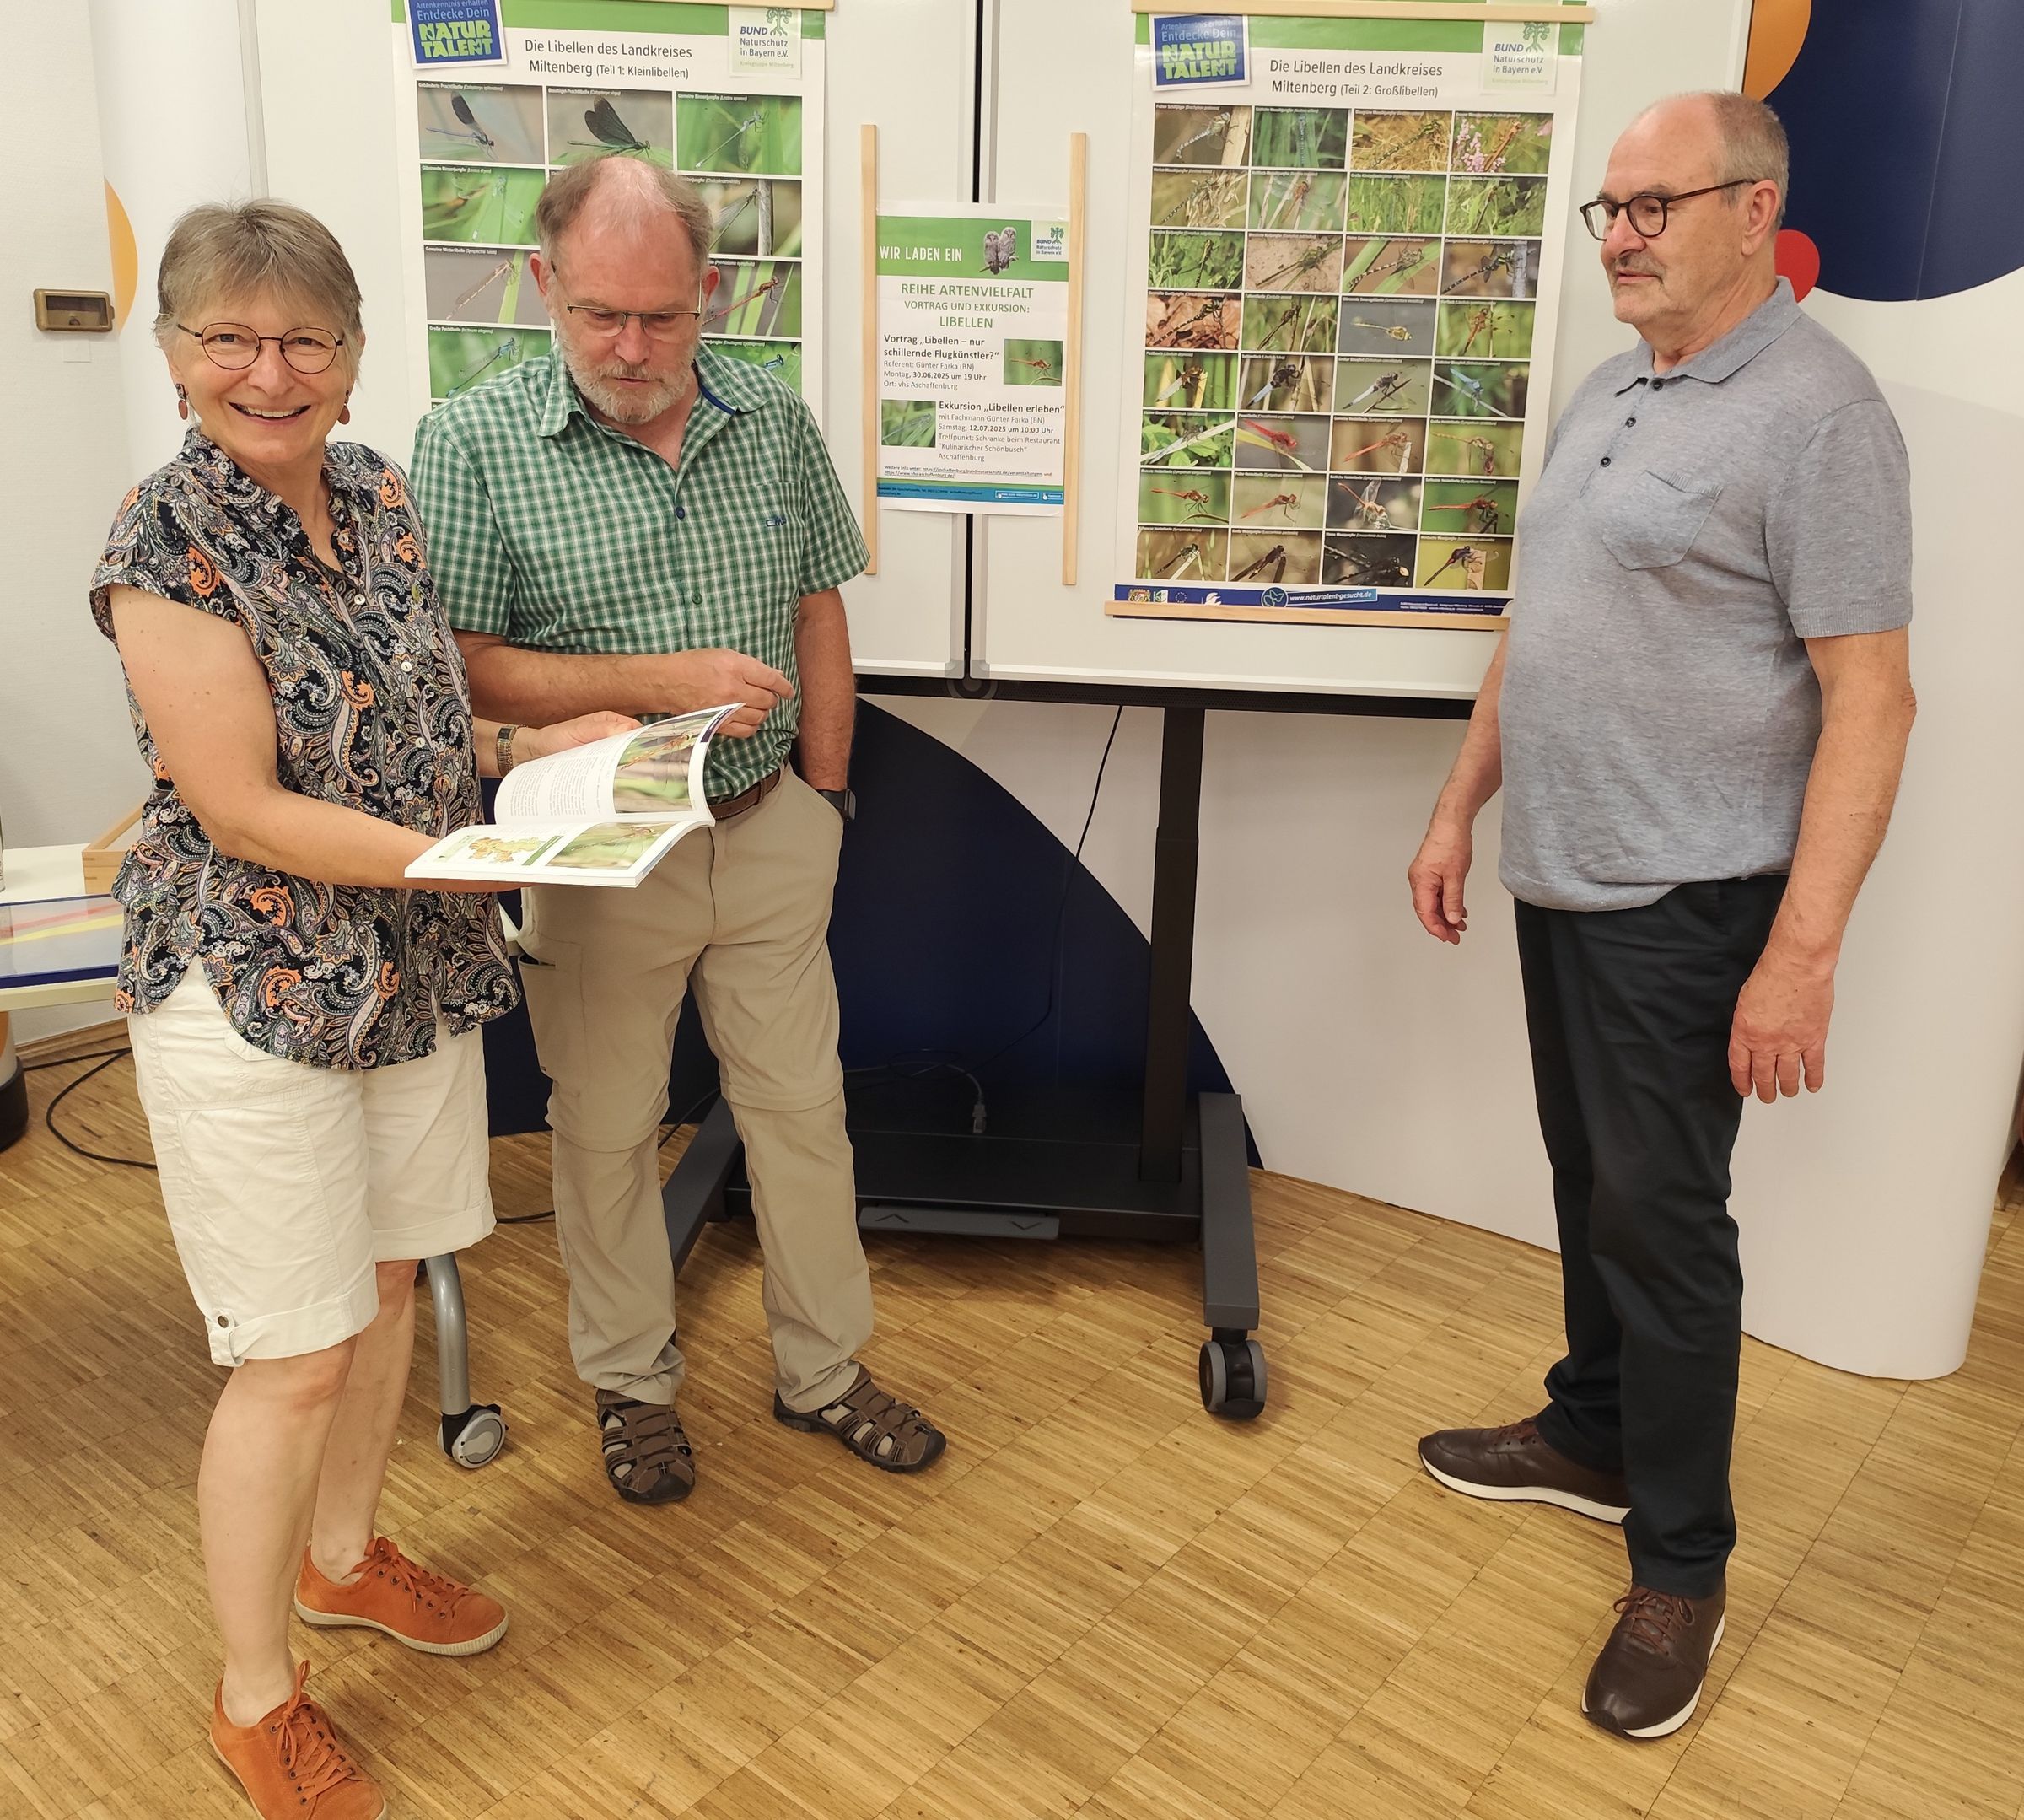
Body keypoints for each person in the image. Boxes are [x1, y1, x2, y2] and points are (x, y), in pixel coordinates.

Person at [93, 201, 632, 1820]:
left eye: (305, 338)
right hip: (248, 975)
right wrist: (455, 857)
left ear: (352, 352)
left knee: (390, 1282)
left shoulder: (383, 493)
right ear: (176, 355)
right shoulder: (158, 544)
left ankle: (341, 1560)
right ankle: (256, 1698)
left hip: (406, 968)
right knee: (295, 1351)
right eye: (230, 340)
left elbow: (415, 719)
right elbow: (245, 807)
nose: (271, 370)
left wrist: (531, 759)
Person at [1406, 93, 1915, 1741]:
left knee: (1667, 1227)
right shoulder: (1611, 392)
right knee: (1596, 1186)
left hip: (1690, 898)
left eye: (1652, 206)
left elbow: (1875, 699)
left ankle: (1679, 1557)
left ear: (1754, 207)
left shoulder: (1821, 416)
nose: (1618, 236)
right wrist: (1456, 801)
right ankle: (1594, 1426)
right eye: (1606, 211)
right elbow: (1534, 620)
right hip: (1565, 869)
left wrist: (1804, 949)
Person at [412, 156, 945, 1505]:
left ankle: (825, 1371)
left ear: (711, 293)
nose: (633, 348)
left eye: (663, 314)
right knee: (602, 1126)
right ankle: (632, 1384)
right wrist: (656, 681)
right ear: (544, 285)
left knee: (802, 1114)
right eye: (599, 314)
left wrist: (825, 795)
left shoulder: (770, 417)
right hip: (601, 858)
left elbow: (821, 610)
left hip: (768, 824)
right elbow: (463, 667)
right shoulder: (472, 442)